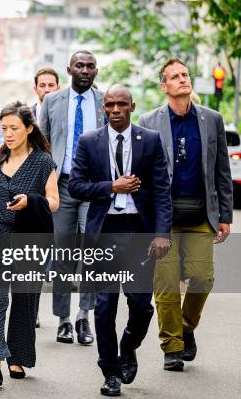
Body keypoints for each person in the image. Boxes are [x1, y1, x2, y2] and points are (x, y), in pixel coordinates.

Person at [69, 85, 172, 396]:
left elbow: (162, 191)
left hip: (139, 231)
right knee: (104, 306)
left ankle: (129, 345)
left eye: (121, 105)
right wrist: (111, 186)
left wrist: (161, 234)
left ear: (132, 106)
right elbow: (75, 186)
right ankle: (110, 371)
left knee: (141, 304)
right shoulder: (89, 142)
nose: (115, 110)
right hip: (105, 231)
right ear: (103, 108)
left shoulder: (150, 141)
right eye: (110, 104)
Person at [138, 58, 233, 372]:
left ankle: (186, 327)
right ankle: (172, 347)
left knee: (203, 278)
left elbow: (221, 170)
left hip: (200, 215)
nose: (182, 79)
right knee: (164, 285)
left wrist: (225, 215)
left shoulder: (212, 119)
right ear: (164, 86)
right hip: (162, 219)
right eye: (174, 76)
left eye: (185, 74)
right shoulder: (148, 121)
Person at [0, 102, 59, 386]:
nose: (7, 134)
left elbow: (54, 202)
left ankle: (17, 357)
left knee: (24, 299)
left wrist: (32, 201)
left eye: (14, 128)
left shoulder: (43, 161)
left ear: (29, 129)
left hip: (30, 236)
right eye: (4, 128)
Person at [39, 50, 105, 345]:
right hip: (62, 186)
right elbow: (41, 146)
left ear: (96, 71)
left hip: (94, 187)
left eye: (90, 66)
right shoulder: (52, 102)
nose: (85, 70)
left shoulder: (106, 102)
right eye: (80, 65)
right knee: (63, 254)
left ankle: (84, 316)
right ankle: (64, 319)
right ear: (69, 69)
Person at [31, 66, 61, 328]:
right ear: (36, 89)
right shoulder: (25, 116)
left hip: (59, 189)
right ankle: (33, 307)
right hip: (33, 192)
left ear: (58, 88)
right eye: (43, 85)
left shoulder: (64, 115)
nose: (47, 90)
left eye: (52, 85)